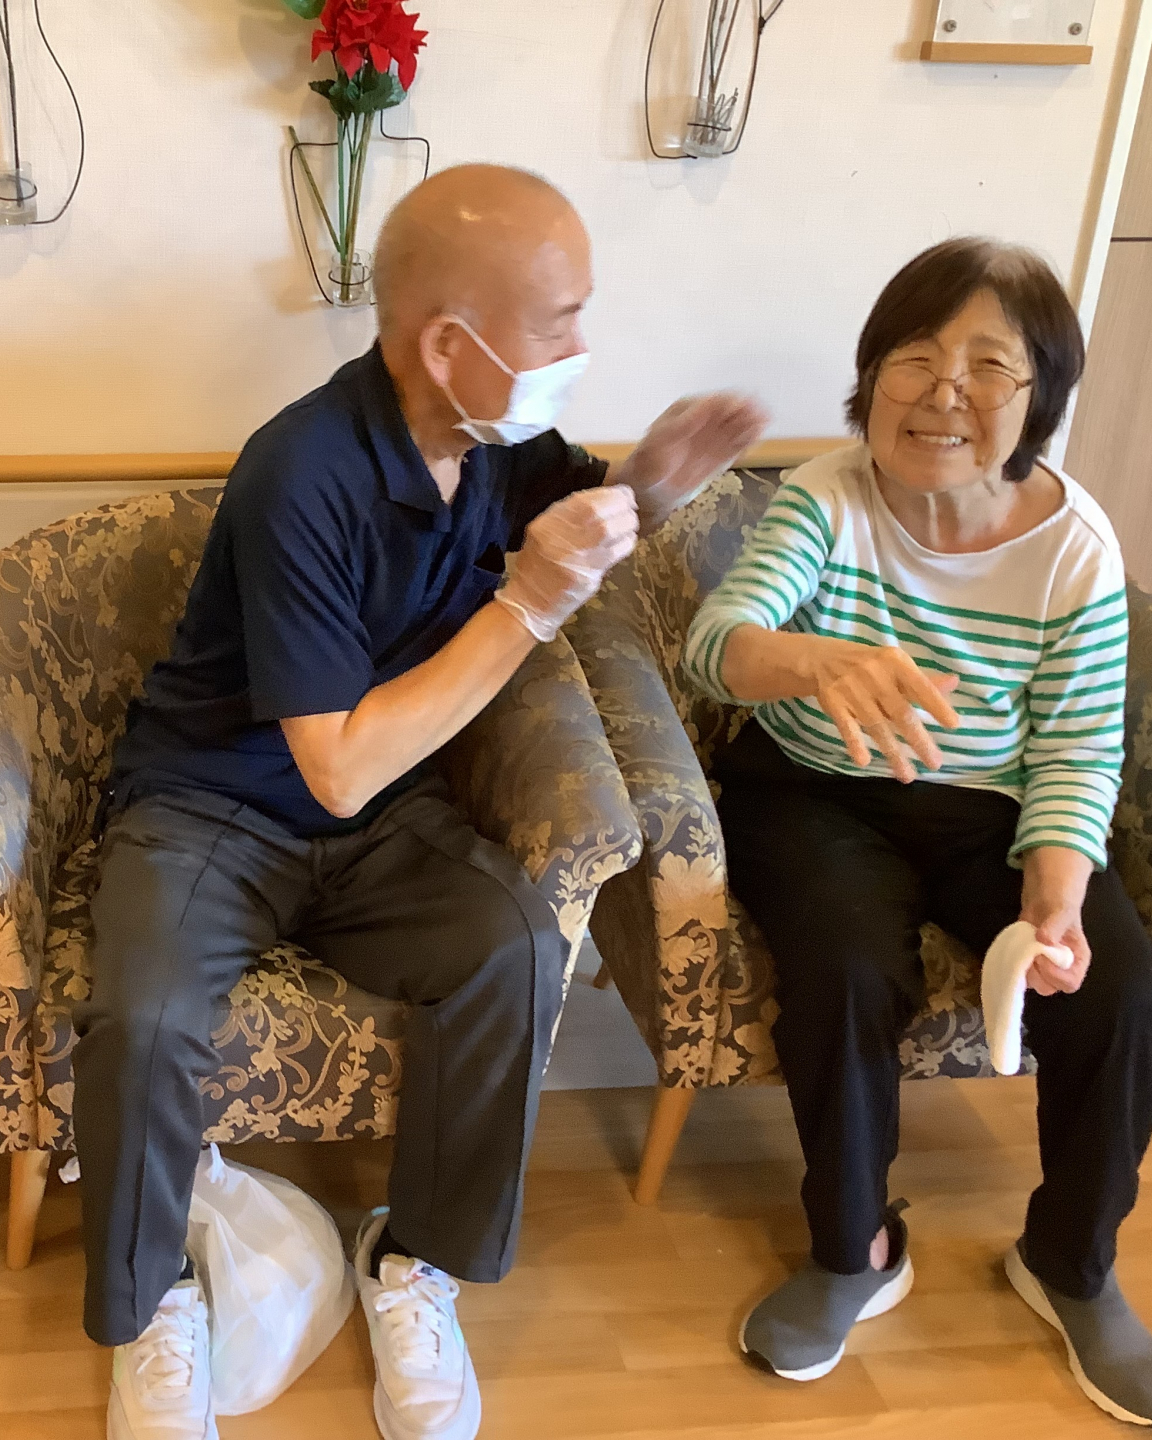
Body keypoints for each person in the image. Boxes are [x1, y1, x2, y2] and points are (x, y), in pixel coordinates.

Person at [80, 163, 767, 1440]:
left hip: (384, 819)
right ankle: (151, 1302)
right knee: (145, 1014)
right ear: (450, 346)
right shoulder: (302, 470)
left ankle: (413, 1262)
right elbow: (334, 762)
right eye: (558, 322)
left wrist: (652, 489)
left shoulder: (497, 448)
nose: (580, 348)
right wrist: (527, 603)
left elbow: (574, 532)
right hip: (212, 805)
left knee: (513, 946)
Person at [683, 238, 1152, 1427]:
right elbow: (717, 644)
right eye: (913, 356)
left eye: (987, 365)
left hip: (990, 807)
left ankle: (1070, 1264)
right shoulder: (827, 495)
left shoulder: (1074, 547)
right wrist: (814, 661)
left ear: (1040, 399)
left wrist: (1056, 897)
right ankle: (854, 1250)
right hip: (812, 787)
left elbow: (1076, 749)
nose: (942, 390)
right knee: (847, 968)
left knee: (1123, 995)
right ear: (871, 378)